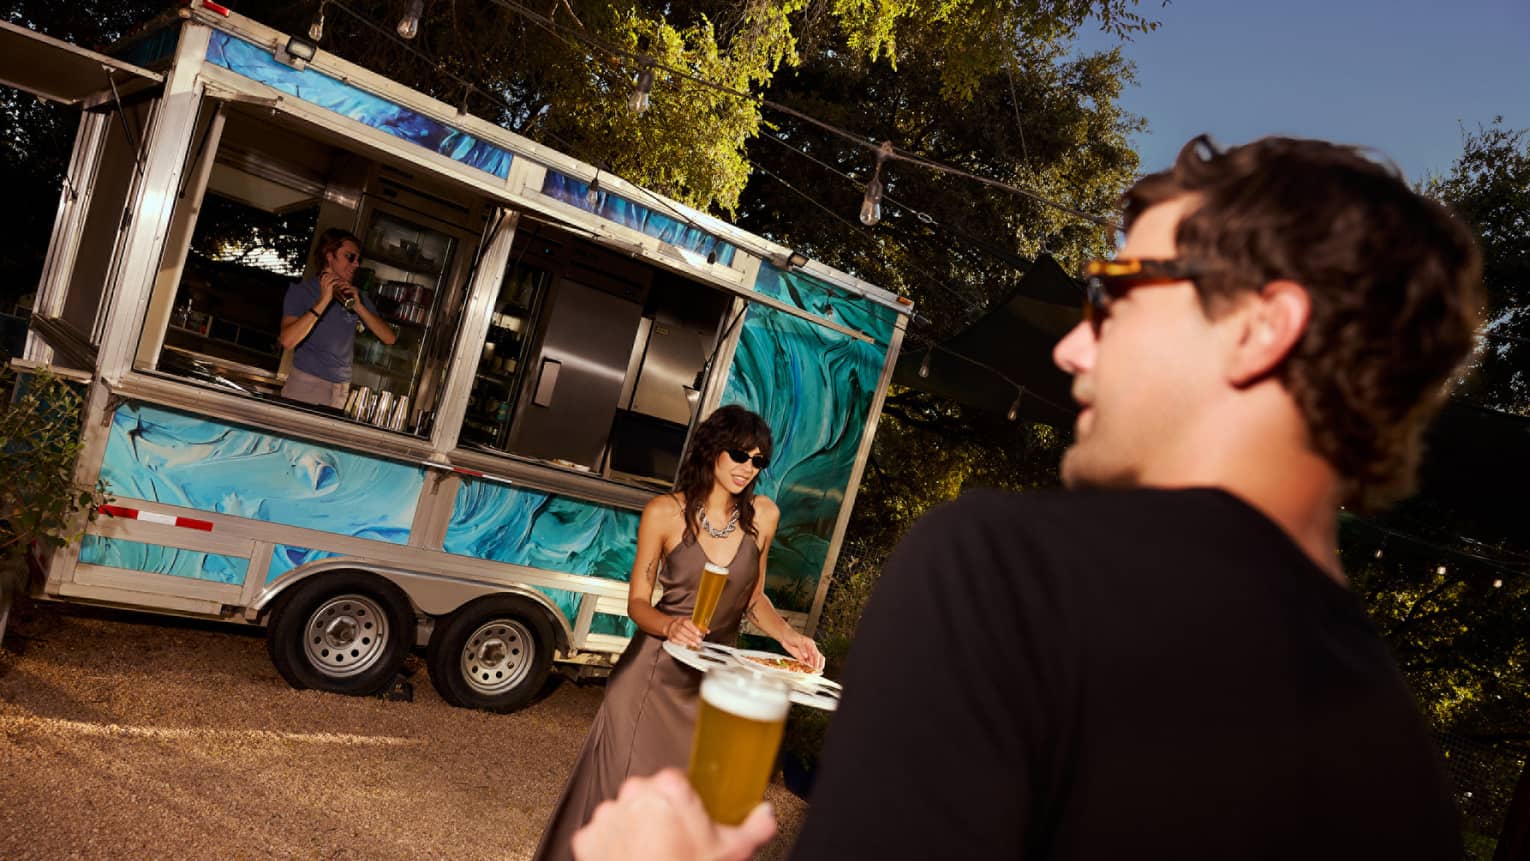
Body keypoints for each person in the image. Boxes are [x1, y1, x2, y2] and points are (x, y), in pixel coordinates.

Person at [569, 135, 1484, 859]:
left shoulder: (999, 574)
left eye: (1117, 294)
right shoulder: (1403, 771)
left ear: (1259, 328)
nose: (1072, 350)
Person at [533, 404, 826, 861]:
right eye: (738, 455)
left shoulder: (764, 517)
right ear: (712, 449)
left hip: (713, 685)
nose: (747, 468)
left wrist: (788, 636)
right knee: (619, 799)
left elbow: (753, 599)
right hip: (651, 679)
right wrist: (670, 624)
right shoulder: (664, 513)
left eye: (758, 461)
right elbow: (637, 604)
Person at [278, 228, 396, 408]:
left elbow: (389, 338)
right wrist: (324, 300)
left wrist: (358, 307)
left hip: (340, 390)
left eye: (358, 259)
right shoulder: (302, 291)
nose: (356, 264)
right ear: (329, 255)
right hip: (306, 385)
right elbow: (287, 341)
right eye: (350, 257)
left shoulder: (356, 296)